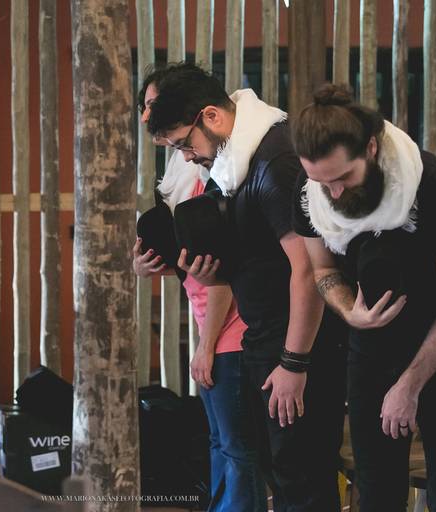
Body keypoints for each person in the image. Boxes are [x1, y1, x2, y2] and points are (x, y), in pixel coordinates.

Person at [147, 65, 348, 511]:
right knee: (282, 474)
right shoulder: (235, 163)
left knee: (304, 482)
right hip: (266, 340)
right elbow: (257, 260)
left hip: (296, 349)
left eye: (185, 143)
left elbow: (308, 270)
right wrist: (205, 273)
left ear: (212, 116)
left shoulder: (276, 162)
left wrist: (295, 363)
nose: (185, 157)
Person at [290, 84, 436, 512]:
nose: (334, 193)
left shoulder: (435, 188)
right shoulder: (313, 194)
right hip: (372, 349)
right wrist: (350, 312)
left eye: (343, 177)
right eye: (320, 181)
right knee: (377, 490)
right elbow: (322, 271)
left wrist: (409, 386)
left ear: (372, 147)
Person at [132, 64, 267, 512]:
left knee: (236, 448)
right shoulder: (181, 166)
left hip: (231, 329)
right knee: (219, 442)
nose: (149, 114)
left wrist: (206, 345)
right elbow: (194, 261)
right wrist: (153, 262)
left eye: (154, 104)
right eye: (148, 106)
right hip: (208, 320)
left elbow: (224, 270)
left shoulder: (219, 168)